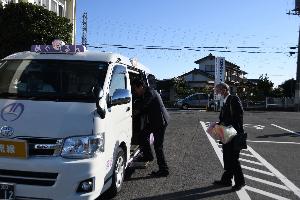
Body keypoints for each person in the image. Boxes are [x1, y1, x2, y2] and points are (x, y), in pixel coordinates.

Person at [132, 77, 170, 177]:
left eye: (135, 89)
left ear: (141, 87)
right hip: (154, 121)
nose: (135, 92)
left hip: (160, 122)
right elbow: (144, 107)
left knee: (158, 146)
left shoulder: (150, 93)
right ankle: (148, 156)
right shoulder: (145, 93)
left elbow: (143, 106)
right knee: (142, 135)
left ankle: (164, 170)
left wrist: (132, 111)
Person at [213, 82, 246, 191]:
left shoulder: (233, 99)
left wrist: (223, 124)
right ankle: (226, 179)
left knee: (233, 159)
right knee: (227, 157)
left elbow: (238, 116)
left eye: (217, 90)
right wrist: (219, 124)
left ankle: (240, 182)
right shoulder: (226, 101)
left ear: (223, 90)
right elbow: (225, 117)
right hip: (227, 133)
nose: (216, 92)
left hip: (233, 133)